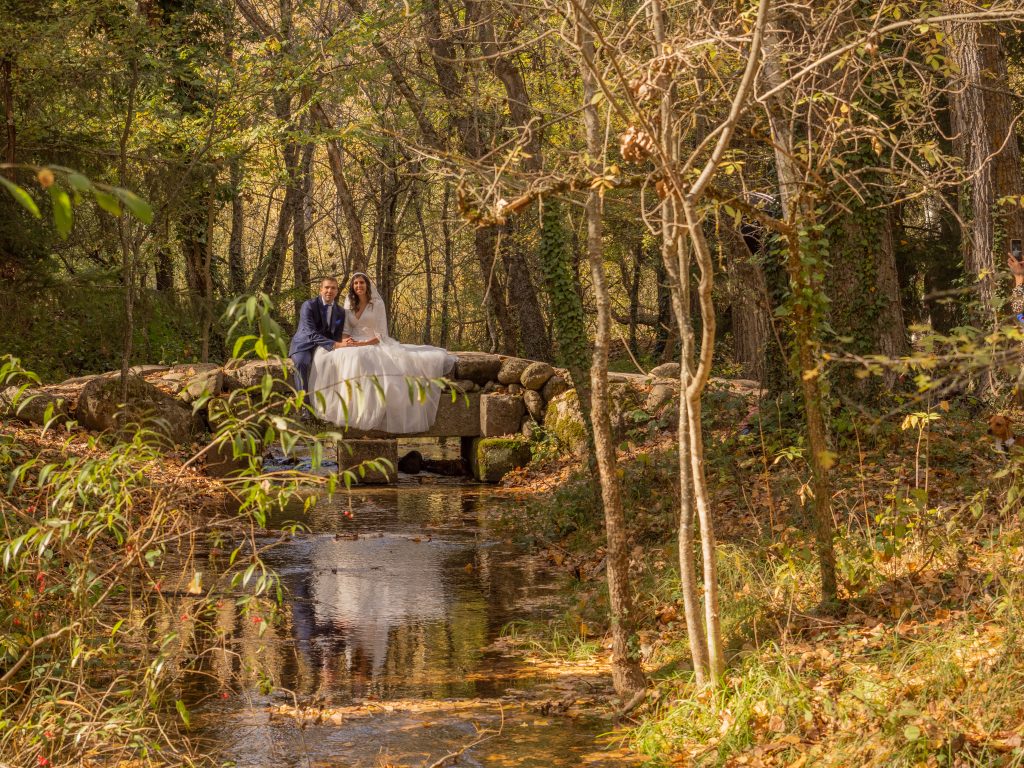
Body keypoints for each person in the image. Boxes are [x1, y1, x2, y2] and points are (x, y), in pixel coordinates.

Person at [308, 272, 455, 432]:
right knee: (331, 356)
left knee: (361, 357)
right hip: (353, 341)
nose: (359, 286)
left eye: (361, 283)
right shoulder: (349, 301)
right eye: (355, 283)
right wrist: (345, 342)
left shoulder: (376, 303)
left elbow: (381, 334)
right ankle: (345, 407)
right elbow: (346, 328)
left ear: (367, 285)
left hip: (373, 342)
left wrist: (364, 343)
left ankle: (366, 412)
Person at [289, 277, 347, 393]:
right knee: (302, 363)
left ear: (337, 291)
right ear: (320, 290)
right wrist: (334, 344)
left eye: (333, 288)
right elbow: (311, 333)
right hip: (304, 345)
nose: (329, 291)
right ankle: (304, 406)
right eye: (326, 287)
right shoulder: (309, 305)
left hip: (324, 347)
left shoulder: (340, 312)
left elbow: (337, 335)